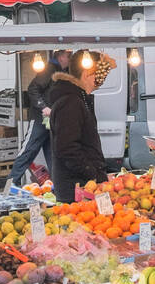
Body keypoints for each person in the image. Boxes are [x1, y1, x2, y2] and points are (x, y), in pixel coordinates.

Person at [48, 48, 108, 202]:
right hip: (75, 189)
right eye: (100, 73)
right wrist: (92, 173)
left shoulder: (78, 98)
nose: (102, 79)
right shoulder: (70, 102)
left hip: (83, 185)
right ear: (87, 74)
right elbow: (67, 148)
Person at [10, 49, 71, 186]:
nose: (70, 58)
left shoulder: (62, 71)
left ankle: (58, 187)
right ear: (60, 57)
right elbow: (32, 89)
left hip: (51, 121)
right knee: (28, 150)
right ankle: (12, 184)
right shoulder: (49, 69)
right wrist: (44, 107)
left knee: (53, 154)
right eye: (68, 56)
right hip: (40, 119)